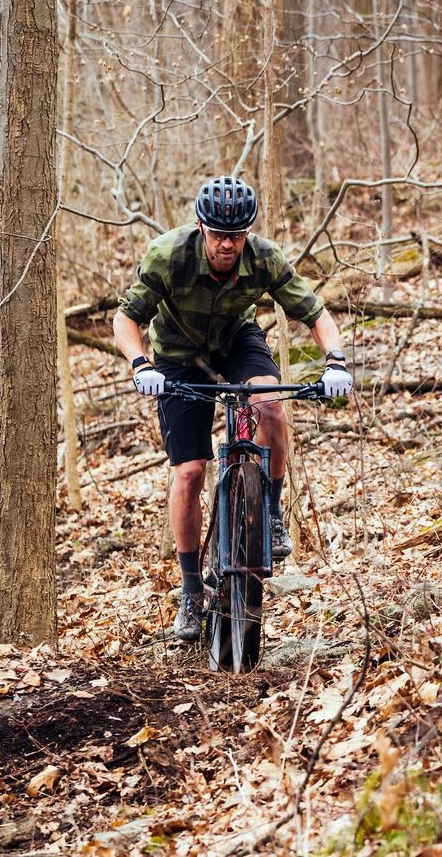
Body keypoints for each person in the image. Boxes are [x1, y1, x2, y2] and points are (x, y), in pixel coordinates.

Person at [113, 176, 353, 642]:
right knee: (189, 472)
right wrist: (140, 364)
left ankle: (272, 512)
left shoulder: (263, 257)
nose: (227, 245)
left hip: (235, 341)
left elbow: (315, 313)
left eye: (237, 235)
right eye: (219, 235)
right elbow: (126, 318)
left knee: (270, 407)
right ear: (201, 227)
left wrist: (336, 361)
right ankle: (190, 591)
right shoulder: (168, 255)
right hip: (178, 357)